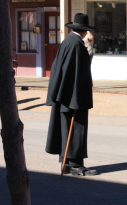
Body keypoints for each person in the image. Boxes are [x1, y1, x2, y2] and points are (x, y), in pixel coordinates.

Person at [45, 13, 98, 176]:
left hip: (65, 93)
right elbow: (77, 71)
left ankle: (66, 161)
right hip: (73, 94)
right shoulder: (76, 44)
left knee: (66, 127)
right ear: (84, 30)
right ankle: (76, 164)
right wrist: (75, 96)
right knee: (76, 128)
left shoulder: (69, 42)